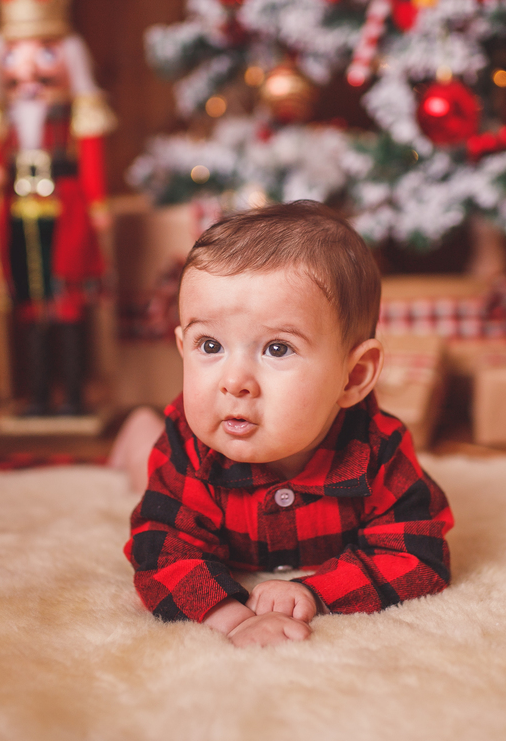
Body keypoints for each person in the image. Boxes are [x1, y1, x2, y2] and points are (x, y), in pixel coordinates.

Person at [122, 201, 454, 647]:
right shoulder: (187, 444)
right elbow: (162, 553)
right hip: (164, 455)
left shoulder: (379, 450)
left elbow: (417, 556)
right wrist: (231, 617)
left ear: (353, 376)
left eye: (277, 349)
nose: (234, 382)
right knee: (143, 458)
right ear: (183, 347)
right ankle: (133, 433)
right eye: (210, 344)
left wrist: (312, 592)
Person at [0, 0, 116, 416]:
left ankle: (74, 396)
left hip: (68, 211)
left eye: (46, 54)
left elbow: (92, 162)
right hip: (19, 214)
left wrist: (98, 207)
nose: (30, 71)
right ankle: (37, 396)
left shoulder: (78, 114)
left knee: (68, 304)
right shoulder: (5, 121)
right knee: (32, 306)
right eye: (16, 59)